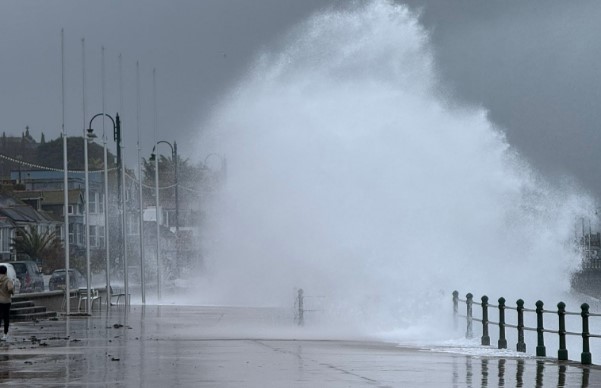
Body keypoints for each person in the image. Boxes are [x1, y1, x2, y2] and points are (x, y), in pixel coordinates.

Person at [0, 265, 14, 341]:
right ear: (5, 271)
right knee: (6, 318)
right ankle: (5, 334)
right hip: (6, 301)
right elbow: (10, 288)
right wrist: (11, 292)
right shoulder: (8, 280)